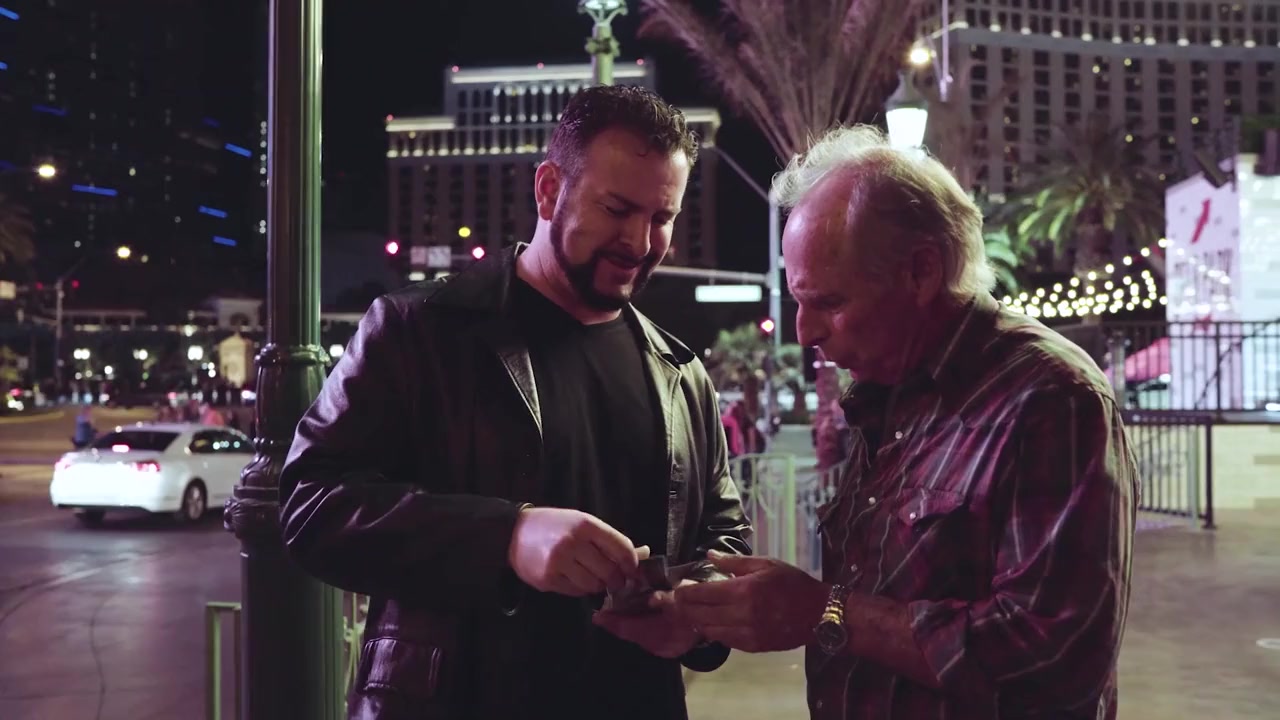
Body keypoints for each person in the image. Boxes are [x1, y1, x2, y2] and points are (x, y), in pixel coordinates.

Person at [279, 85, 751, 720]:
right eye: (616, 209)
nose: (640, 242)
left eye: (662, 218)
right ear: (549, 190)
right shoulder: (416, 329)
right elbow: (311, 505)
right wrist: (505, 536)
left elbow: (725, 537)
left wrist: (694, 619)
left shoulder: (681, 372)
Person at [670, 126, 1138, 719]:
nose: (805, 333)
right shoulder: (888, 389)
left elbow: (1056, 659)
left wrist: (822, 611)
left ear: (921, 272)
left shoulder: (1050, 397)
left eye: (830, 302)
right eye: (799, 302)